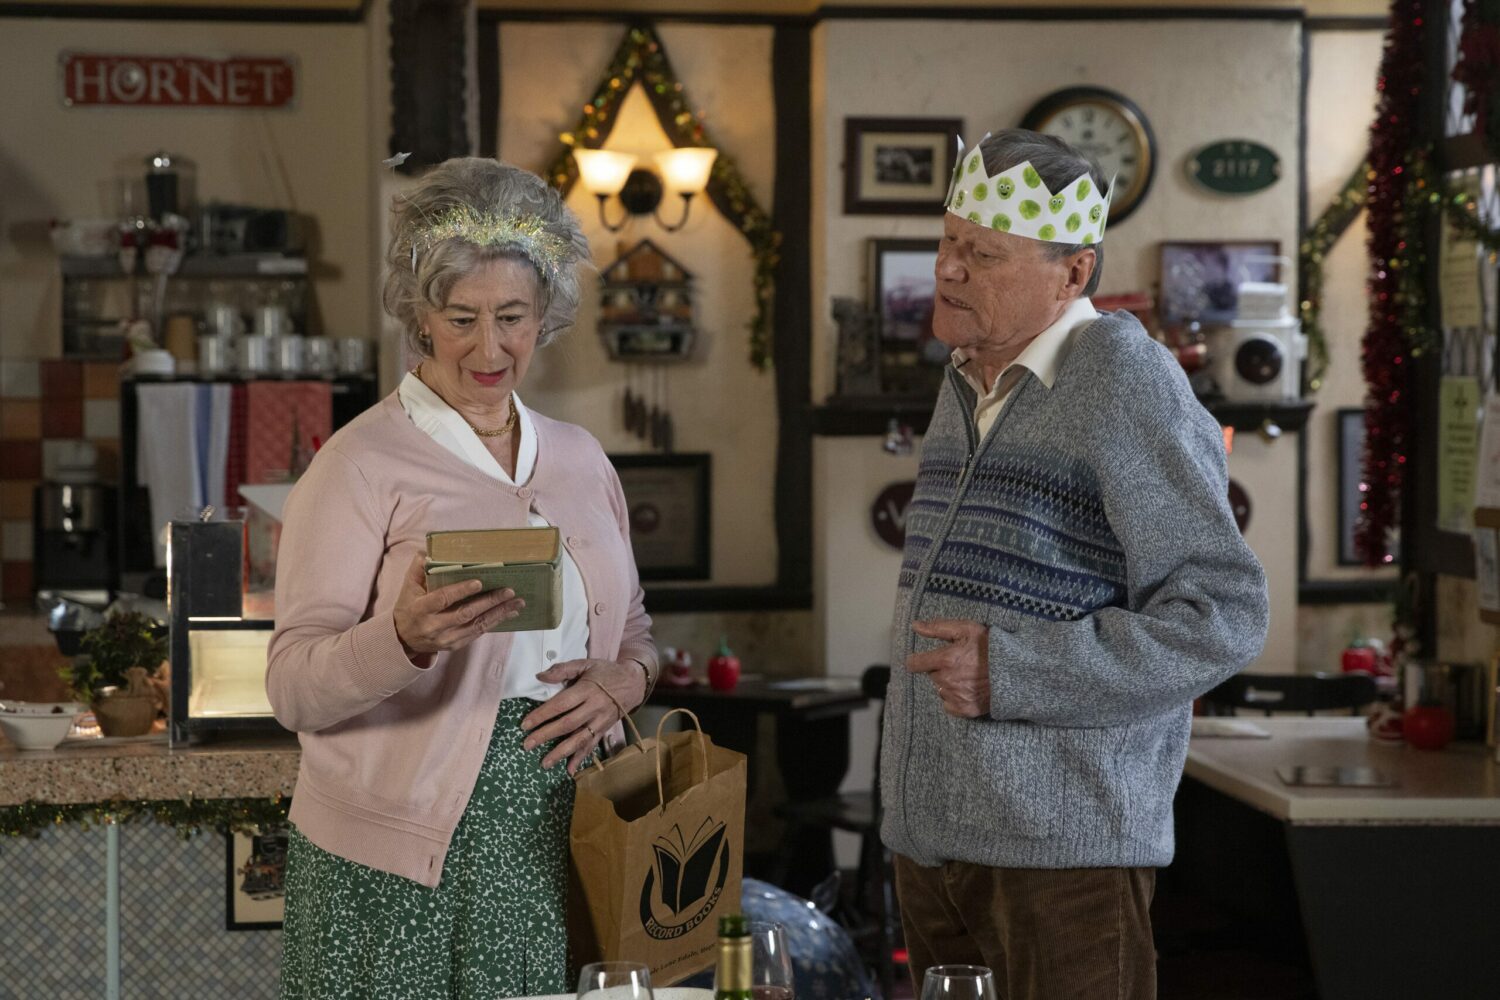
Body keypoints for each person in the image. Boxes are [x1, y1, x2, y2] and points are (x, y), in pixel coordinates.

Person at [879, 129, 1269, 999]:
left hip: (1061, 861)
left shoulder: (1126, 383)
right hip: (933, 847)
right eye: (947, 242)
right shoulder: (966, 375)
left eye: (982, 253)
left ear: (1073, 273)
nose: (947, 269)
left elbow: (1222, 612)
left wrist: (1013, 672)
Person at [266, 157, 659, 999]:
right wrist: (400, 638)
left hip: (562, 831)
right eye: (462, 318)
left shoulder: (582, 460)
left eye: (513, 316)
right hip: (390, 857)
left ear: (546, 312)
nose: (491, 347)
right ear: (419, 316)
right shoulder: (358, 465)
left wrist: (628, 682)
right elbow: (294, 689)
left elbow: (634, 632)